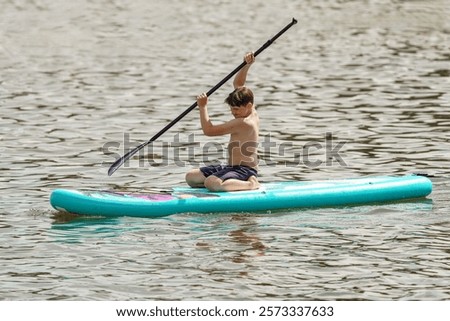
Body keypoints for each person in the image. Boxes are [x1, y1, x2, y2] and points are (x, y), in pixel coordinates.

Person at [185, 52, 260, 192]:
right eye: (232, 109)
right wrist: (247, 65)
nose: (233, 112)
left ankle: (251, 184)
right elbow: (238, 84)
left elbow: (209, 130)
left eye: (236, 109)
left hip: (245, 171)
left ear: (248, 105)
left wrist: (203, 107)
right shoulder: (251, 109)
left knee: (211, 182)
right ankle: (227, 183)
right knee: (191, 177)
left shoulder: (243, 123)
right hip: (231, 167)